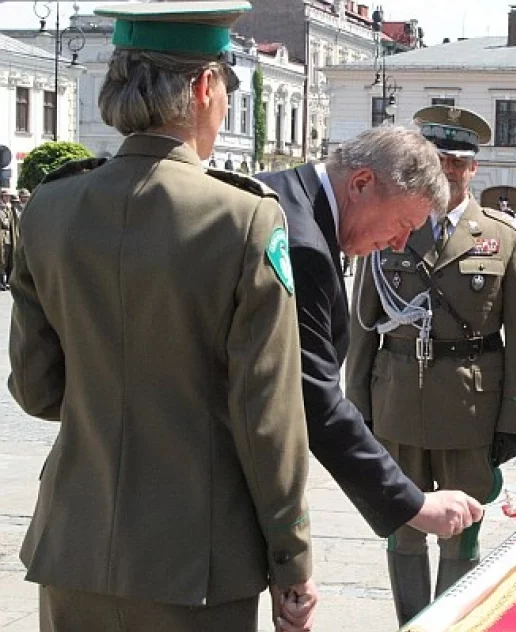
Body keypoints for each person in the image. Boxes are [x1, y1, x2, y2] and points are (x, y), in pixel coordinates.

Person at [8, 3, 317, 630]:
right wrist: (292, 558)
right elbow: (268, 416)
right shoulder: (245, 219)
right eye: (226, 87)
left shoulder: (49, 206)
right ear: (205, 86)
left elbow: (37, 390)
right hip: (197, 563)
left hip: (74, 549)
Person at [255, 126, 485, 589]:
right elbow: (314, 398)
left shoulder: (281, 195)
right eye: (402, 225)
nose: (400, 245)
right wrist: (414, 505)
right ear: (361, 184)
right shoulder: (301, 244)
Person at [346, 105, 516, 625]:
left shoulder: (505, 238)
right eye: (438, 160)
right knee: (404, 528)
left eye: (458, 163)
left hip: (469, 406)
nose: (449, 172)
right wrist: (358, 406)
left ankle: (453, 623)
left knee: (461, 529)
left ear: (474, 169)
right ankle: (412, 622)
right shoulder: (389, 230)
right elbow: (365, 324)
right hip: (399, 400)